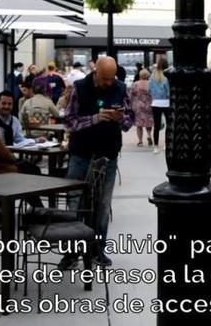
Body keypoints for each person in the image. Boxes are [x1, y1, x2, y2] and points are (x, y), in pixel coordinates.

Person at [63, 57, 134, 266]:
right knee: (75, 203)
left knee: (102, 206)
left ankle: (97, 250)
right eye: (105, 79)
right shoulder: (80, 87)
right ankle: (71, 252)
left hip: (108, 154)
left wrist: (120, 118)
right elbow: (69, 121)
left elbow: (130, 120)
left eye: (112, 79)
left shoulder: (120, 88)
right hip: (81, 154)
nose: (108, 83)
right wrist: (95, 118)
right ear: (96, 72)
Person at [148, 57, 170, 154]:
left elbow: (149, 89)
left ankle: (155, 147)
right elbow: (169, 90)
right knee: (168, 125)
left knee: (156, 126)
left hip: (155, 102)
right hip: (166, 102)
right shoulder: (167, 76)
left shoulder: (152, 76)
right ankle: (166, 145)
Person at [130, 69, 154, 147]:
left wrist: (130, 104)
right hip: (149, 106)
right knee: (148, 123)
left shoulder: (135, 84)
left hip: (138, 106)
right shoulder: (151, 84)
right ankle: (149, 135)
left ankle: (140, 141)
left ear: (140, 75)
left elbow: (130, 94)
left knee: (139, 125)